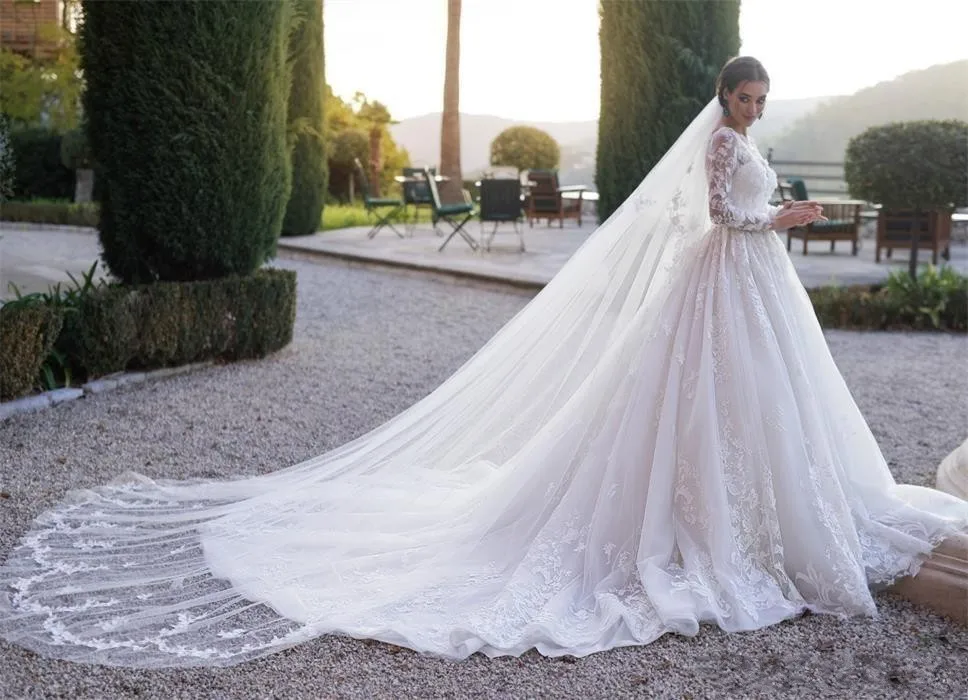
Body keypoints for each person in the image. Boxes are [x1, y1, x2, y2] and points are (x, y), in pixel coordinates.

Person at [1, 57, 966, 669]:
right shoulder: (719, 145)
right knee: (702, 402)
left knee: (764, 405)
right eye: (743, 97)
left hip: (751, 289)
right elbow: (721, 219)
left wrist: (778, 215)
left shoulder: (742, 139)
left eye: (759, 99)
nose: (751, 109)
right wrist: (784, 216)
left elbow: (740, 215)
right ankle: (708, 524)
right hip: (728, 275)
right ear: (723, 97)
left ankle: (764, 513)